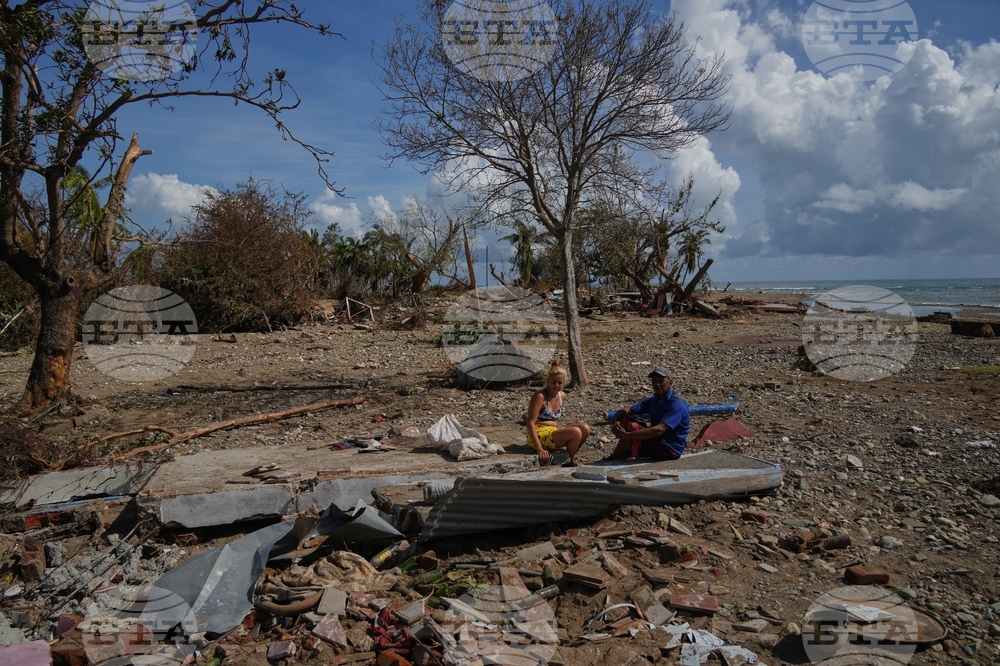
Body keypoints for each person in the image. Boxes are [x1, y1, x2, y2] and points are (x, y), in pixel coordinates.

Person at [605, 366, 690, 461]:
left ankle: (612, 457)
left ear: (670, 383)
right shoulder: (654, 399)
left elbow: (659, 430)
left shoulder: (676, 403)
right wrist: (615, 419)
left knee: (631, 426)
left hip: (670, 448)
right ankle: (623, 453)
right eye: (654, 381)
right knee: (623, 419)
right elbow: (629, 410)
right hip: (657, 441)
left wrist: (627, 435)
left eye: (661, 381)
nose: (657, 384)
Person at [525, 360, 591, 466]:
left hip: (551, 430)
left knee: (585, 428)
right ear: (548, 381)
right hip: (538, 434)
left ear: (564, 383)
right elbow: (530, 423)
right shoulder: (540, 396)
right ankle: (571, 461)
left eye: (560, 383)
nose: (556, 385)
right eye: (553, 382)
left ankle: (569, 456)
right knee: (575, 432)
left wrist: (551, 424)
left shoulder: (562, 396)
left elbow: (553, 422)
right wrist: (539, 449)